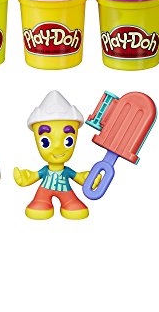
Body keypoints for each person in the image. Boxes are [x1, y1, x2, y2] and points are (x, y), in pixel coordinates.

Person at [14, 90, 100, 220]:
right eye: (45, 142)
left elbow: (77, 177)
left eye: (68, 141)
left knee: (74, 207)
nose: (57, 147)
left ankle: (70, 203)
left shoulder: (66, 171)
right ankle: (41, 202)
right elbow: (35, 176)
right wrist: (26, 178)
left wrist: (88, 179)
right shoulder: (45, 171)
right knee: (39, 206)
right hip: (43, 192)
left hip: (66, 192)